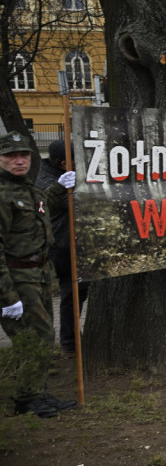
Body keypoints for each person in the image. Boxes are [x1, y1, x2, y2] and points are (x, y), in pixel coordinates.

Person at [0, 131, 77, 417]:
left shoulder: (28, 190)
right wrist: (7, 297)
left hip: (38, 274)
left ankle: (37, 392)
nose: (18, 161)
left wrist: (59, 188)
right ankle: (26, 399)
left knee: (44, 335)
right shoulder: (3, 194)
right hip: (17, 279)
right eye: (11, 156)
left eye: (23, 155)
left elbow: (43, 211)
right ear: (1, 159)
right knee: (32, 338)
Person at [35, 139, 89, 353]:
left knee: (74, 294)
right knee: (69, 294)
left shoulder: (56, 174)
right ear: (63, 163)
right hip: (60, 247)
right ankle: (65, 343)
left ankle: (70, 341)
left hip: (68, 245)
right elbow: (74, 203)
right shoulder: (48, 181)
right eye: (77, 160)